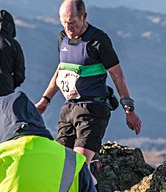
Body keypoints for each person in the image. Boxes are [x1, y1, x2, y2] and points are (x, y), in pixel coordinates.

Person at [36, 0, 142, 174]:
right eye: (63, 22)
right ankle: (92, 168)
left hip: (93, 109)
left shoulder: (98, 40)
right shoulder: (63, 37)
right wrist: (45, 100)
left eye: (72, 23)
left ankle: (88, 179)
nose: (68, 28)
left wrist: (129, 109)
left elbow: (117, 75)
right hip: (69, 108)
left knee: (77, 166)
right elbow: (61, 70)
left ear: (83, 17)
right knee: (58, 165)